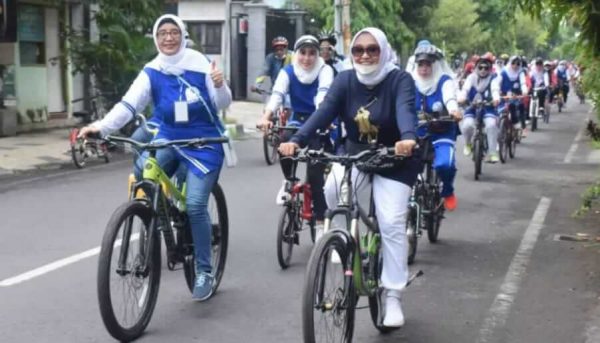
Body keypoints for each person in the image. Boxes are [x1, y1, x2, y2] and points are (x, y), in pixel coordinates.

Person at [78, 14, 232, 301]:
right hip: (170, 138)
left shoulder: (200, 65)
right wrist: (101, 127)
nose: (169, 38)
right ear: (156, 37)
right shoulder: (152, 70)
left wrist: (220, 85)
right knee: (144, 177)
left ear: (183, 35)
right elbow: (129, 103)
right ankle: (160, 215)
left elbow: (222, 104)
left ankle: (204, 270)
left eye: (174, 32)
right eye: (162, 33)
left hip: (204, 141)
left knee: (197, 205)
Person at [279, 27, 421, 328]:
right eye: (358, 50)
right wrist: (298, 139)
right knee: (332, 192)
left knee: (392, 220)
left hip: (395, 159)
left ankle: (393, 294)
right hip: (356, 155)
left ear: (383, 51)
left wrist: (407, 138)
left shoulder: (400, 80)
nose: (365, 55)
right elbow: (324, 113)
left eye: (372, 50)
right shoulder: (344, 80)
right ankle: (341, 241)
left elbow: (405, 111)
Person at [256, 35, 334, 239]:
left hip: (319, 121)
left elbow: (323, 98)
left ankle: (319, 222)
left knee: (316, 175)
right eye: (303, 53)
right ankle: (289, 180)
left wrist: (323, 120)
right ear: (296, 54)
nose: (307, 58)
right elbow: (277, 96)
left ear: (317, 55)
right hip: (297, 120)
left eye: (312, 53)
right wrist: (266, 117)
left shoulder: (325, 70)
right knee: (284, 143)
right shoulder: (287, 71)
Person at [410, 43, 462, 210]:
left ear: (435, 65)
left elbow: (450, 98)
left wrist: (453, 110)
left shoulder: (444, 81)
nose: (424, 68)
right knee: (404, 166)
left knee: (444, 165)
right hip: (417, 131)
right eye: (420, 64)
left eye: (428, 64)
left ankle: (447, 190)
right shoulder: (409, 81)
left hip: (442, 130)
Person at [458, 52, 501, 163]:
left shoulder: (493, 78)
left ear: (490, 68)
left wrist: (496, 99)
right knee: (467, 126)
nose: (483, 70)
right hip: (471, 107)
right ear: (476, 67)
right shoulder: (471, 78)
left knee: (491, 125)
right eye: (480, 67)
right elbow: (465, 90)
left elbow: (495, 90)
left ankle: (492, 152)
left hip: (488, 107)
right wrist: (462, 98)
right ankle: (468, 143)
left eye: (486, 68)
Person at [496, 55, 529, 137]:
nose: (515, 65)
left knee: (517, 107)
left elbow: (523, 83)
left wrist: (524, 91)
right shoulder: (503, 72)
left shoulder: (520, 72)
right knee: (498, 112)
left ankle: (520, 125)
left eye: (518, 64)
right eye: (513, 63)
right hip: (504, 95)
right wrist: (496, 92)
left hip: (516, 95)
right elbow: (497, 84)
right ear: (510, 63)